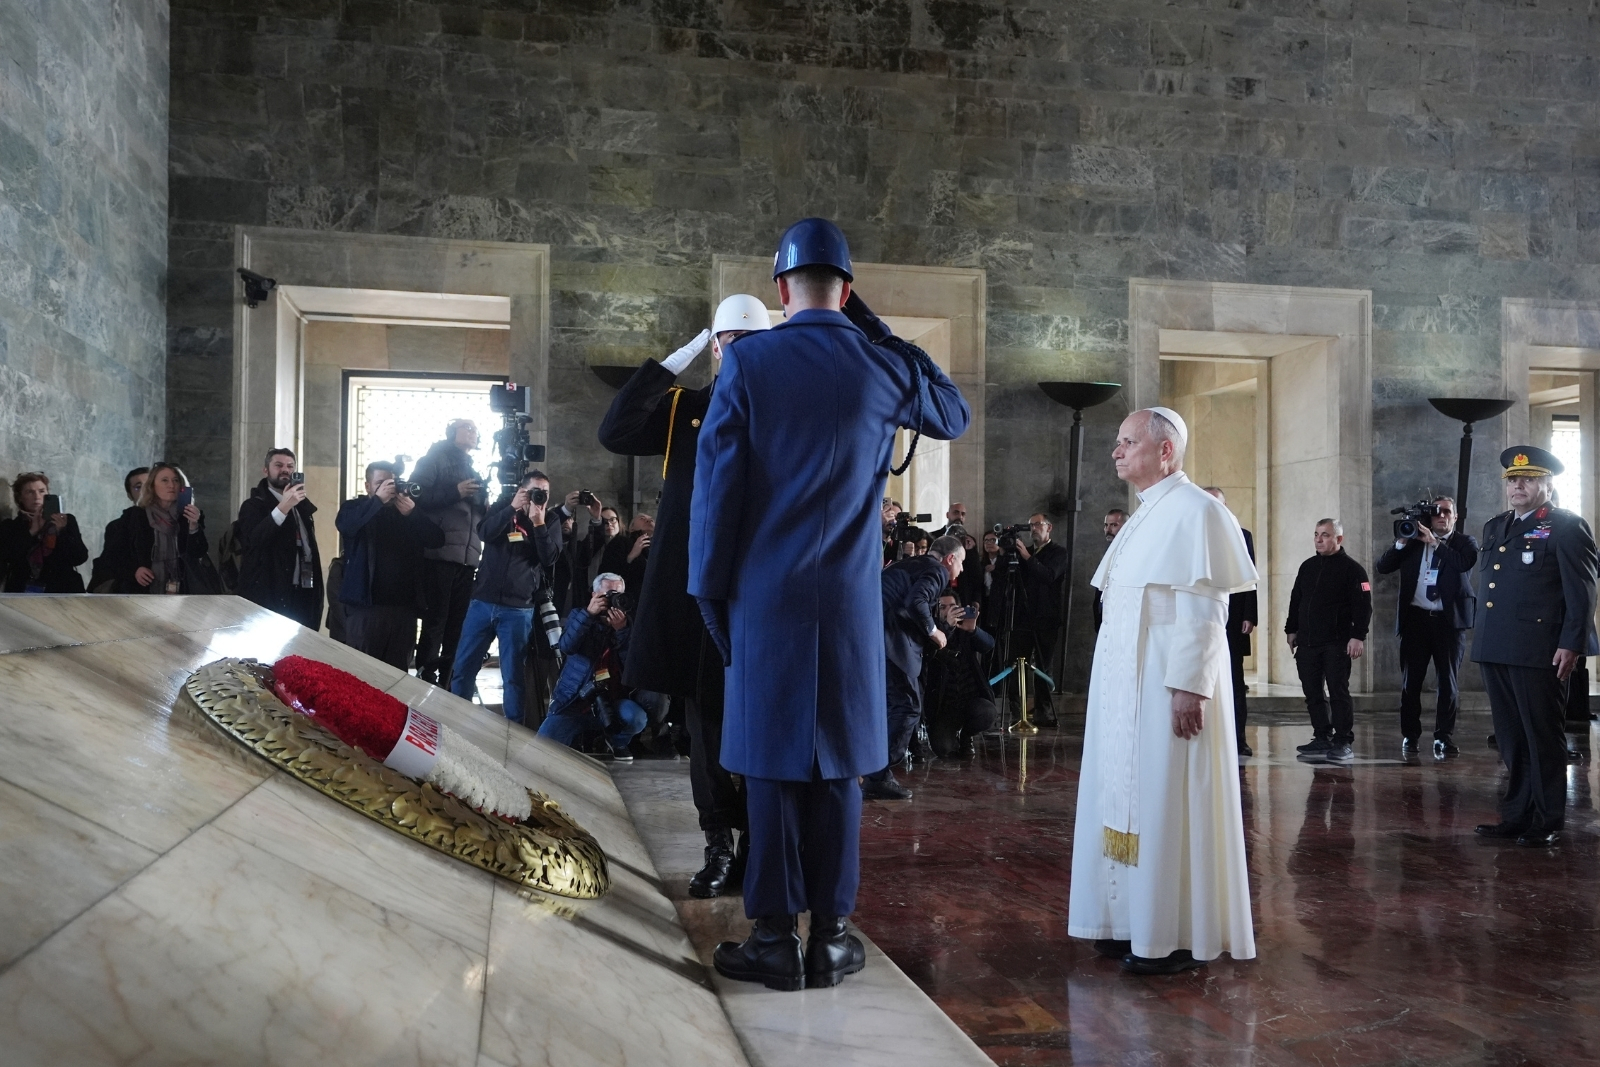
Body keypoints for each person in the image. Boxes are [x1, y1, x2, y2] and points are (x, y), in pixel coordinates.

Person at [690, 218, 970, 991]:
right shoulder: (878, 366)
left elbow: (716, 499)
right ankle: (835, 937)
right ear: (846, 289)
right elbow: (952, 411)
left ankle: (775, 937)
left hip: (765, 598)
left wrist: (711, 598)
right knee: (840, 765)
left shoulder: (748, 363)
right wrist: (874, 327)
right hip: (849, 605)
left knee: (772, 766)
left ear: (780, 291)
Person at [1068, 407, 1256, 976]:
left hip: (1166, 688)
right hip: (1125, 691)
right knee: (1124, 796)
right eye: (1117, 442)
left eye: (1127, 442)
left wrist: (1189, 689)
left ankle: (1170, 933)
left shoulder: (1197, 511)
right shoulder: (1144, 515)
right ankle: (1127, 922)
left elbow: (1205, 608)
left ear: (1165, 451)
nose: (1116, 451)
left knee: (1167, 798)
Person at [598, 294, 773, 899]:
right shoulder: (685, 407)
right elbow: (615, 430)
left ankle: (759, 846)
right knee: (705, 728)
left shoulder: (784, 407)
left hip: (758, 586)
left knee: (758, 725)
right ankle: (719, 844)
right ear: (717, 346)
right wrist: (670, 365)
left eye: (748, 341)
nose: (737, 351)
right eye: (728, 341)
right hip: (692, 586)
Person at [1473, 447, 1598, 848]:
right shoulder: (1496, 527)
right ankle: (1516, 815)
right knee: (1511, 738)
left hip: (1539, 648)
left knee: (1542, 735)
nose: (1518, 486)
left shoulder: (1565, 526)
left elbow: (1581, 592)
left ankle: (1547, 819)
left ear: (1546, 484)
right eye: (1512, 479)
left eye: (1527, 479)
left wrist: (1572, 644)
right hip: (1496, 645)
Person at [449, 471, 562, 723]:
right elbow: (485, 533)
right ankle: (455, 720)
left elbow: (549, 558)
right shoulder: (503, 506)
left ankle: (514, 729)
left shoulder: (550, 519)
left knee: (513, 675)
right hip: (483, 602)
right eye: (534, 491)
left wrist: (539, 524)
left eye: (543, 492)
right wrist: (512, 508)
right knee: (464, 667)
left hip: (518, 608)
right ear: (521, 491)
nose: (538, 496)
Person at [1374, 495, 1478, 760]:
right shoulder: (1413, 544)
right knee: (1411, 683)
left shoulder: (1465, 543)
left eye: (1447, 512)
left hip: (1448, 622)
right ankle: (1410, 734)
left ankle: (1444, 736)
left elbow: (1463, 564)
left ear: (1455, 516)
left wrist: (1435, 543)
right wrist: (1401, 542)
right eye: (1436, 512)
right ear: (1428, 517)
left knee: (1448, 683)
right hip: (1416, 621)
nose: (1442, 516)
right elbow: (1383, 567)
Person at [863, 534, 965, 800]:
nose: (961, 569)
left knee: (890, 708)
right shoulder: (936, 571)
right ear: (950, 558)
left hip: (870, 638)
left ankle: (877, 774)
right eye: (961, 562)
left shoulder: (911, 564)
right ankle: (875, 774)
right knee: (908, 707)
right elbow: (916, 602)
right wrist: (935, 632)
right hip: (890, 642)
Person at [335, 462, 447, 670]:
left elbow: (437, 540)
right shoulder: (355, 508)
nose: (388, 489)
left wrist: (414, 515)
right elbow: (347, 526)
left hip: (403, 610)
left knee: (397, 676)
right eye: (381, 483)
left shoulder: (406, 511)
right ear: (368, 486)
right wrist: (377, 501)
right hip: (366, 608)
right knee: (362, 672)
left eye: (391, 484)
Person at [537, 573, 650, 761]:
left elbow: (633, 664)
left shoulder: (628, 626)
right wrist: (588, 615)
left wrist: (621, 632)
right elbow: (566, 647)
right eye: (609, 595)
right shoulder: (579, 615)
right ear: (594, 596)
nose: (614, 600)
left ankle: (616, 741)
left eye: (618, 594)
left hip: (612, 702)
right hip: (575, 701)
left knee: (636, 718)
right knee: (542, 747)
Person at [1286, 519, 1372, 764]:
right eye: (1316, 534)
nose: (1319, 539)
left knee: (1338, 692)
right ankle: (1322, 735)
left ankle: (1343, 740)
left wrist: (1358, 636)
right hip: (1308, 642)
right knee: (1312, 692)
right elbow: (1296, 600)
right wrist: (1291, 630)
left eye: (1325, 535)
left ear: (1339, 539)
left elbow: (1363, 606)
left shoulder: (1353, 570)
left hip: (1337, 642)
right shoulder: (1308, 567)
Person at [413, 419, 487, 687]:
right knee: (436, 623)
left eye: (476, 429)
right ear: (452, 433)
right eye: (467, 427)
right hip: (440, 555)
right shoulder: (434, 458)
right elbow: (417, 494)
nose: (473, 432)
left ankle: (450, 681)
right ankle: (426, 679)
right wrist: (455, 491)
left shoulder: (472, 467)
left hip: (468, 559)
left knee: (459, 626)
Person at [236, 448, 323, 630]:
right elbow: (253, 542)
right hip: (270, 594)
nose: (285, 470)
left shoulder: (301, 507)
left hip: (302, 593)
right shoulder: (253, 505)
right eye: (279, 465)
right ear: (266, 470)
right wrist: (283, 506)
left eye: (290, 466)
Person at [1203, 489, 1258, 758]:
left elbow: (1250, 578)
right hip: (1201, 616)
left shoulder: (1242, 534)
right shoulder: (1191, 531)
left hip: (1233, 619)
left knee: (1236, 682)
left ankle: (1238, 739)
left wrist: (1250, 614)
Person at [98, 463, 210, 594]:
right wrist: (134, 570)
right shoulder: (135, 516)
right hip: (142, 590)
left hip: (182, 591)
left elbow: (198, 553)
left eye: (176, 480)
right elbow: (113, 555)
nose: (171, 485)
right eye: (164, 480)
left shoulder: (189, 515)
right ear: (152, 486)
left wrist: (193, 526)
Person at [1007, 513, 1069, 725]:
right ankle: (1018, 712)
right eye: (1031, 525)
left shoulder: (1058, 553)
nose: (1033, 528)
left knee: (1043, 666)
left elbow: (1049, 576)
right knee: (1017, 665)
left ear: (1049, 527)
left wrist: (1026, 557)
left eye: (1037, 525)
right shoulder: (1026, 553)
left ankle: (1044, 712)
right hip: (1023, 618)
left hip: (1046, 619)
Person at [923, 591, 999, 758]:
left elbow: (989, 645)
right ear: (935, 610)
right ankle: (951, 736)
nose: (948, 611)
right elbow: (928, 653)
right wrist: (946, 628)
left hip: (969, 699)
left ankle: (966, 736)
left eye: (953, 607)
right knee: (943, 748)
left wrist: (973, 630)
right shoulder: (931, 632)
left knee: (987, 712)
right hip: (944, 706)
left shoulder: (965, 629)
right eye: (943, 607)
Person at [1, 473, 87, 593]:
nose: (37, 496)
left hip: (63, 590)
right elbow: (8, 557)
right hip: (22, 590)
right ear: (20, 497)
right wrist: (32, 531)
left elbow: (80, 557)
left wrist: (61, 531)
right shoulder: (11, 526)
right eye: (29, 492)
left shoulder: (66, 520)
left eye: (42, 491)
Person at [89, 467, 150, 591]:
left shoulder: (171, 520)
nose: (145, 491)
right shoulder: (118, 526)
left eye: (149, 485)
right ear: (130, 495)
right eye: (138, 487)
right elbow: (112, 560)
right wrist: (134, 570)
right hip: (132, 590)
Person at [1092, 507, 1129, 630]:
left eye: (1114, 525)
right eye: (1106, 525)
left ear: (1126, 526)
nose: (1108, 530)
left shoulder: (1131, 551)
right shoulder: (1108, 551)